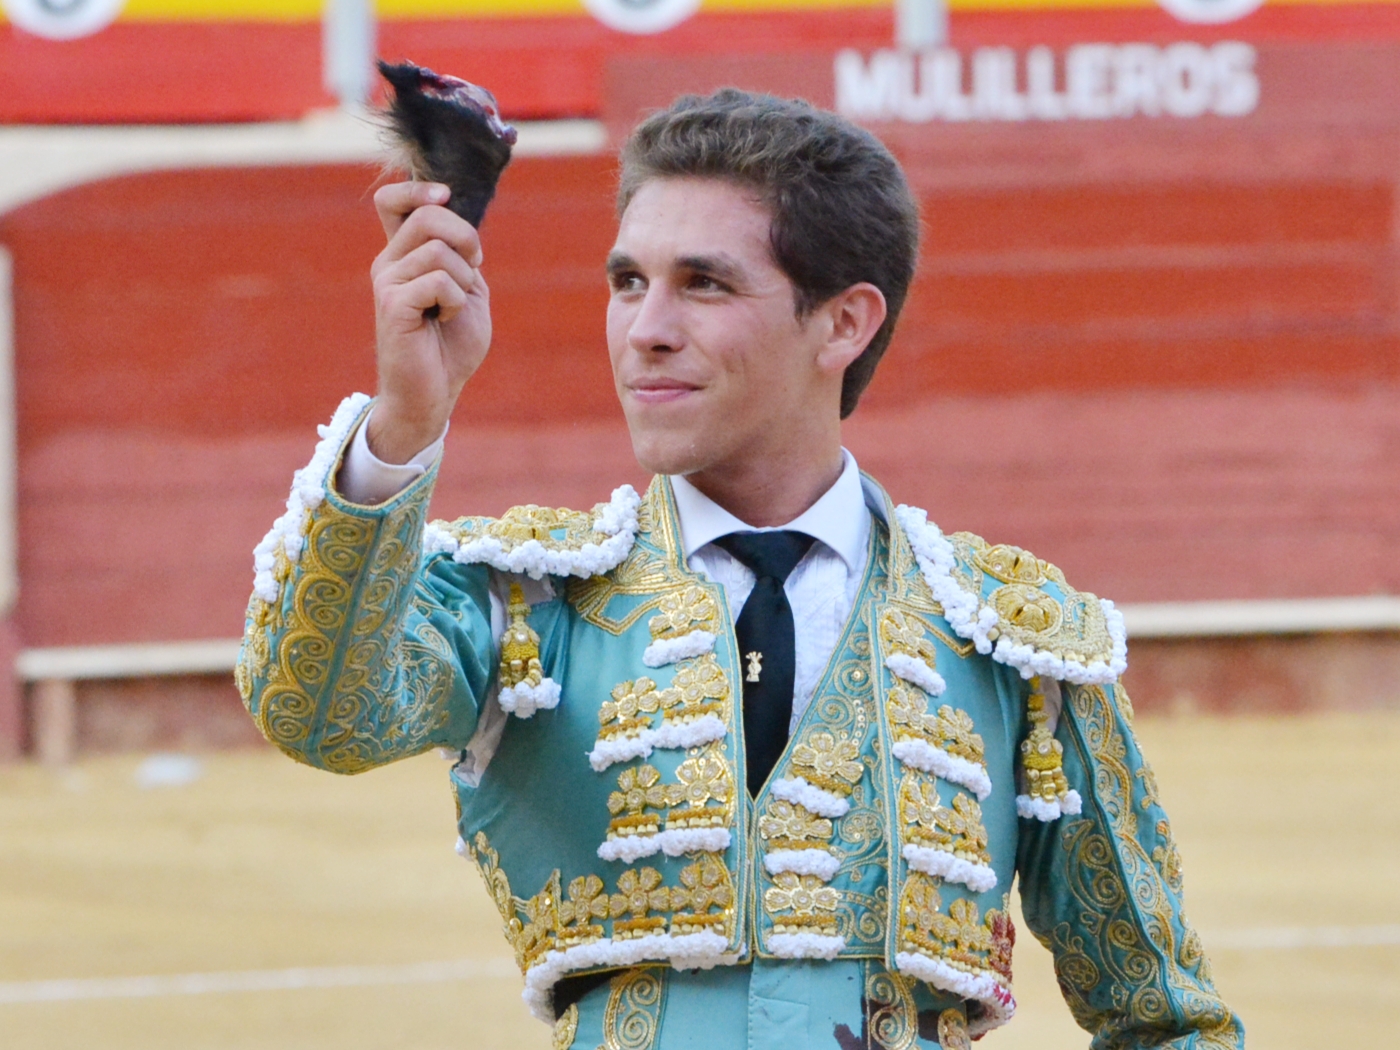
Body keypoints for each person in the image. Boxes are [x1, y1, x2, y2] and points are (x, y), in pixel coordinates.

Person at [236, 89, 1243, 1049]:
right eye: (627, 282)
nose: (645, 329)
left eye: (703, 283)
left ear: (843, 322)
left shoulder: (1006, 639)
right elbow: (318, 712)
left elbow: (1163, 1020)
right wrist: (405, 422)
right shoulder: (531, 602)